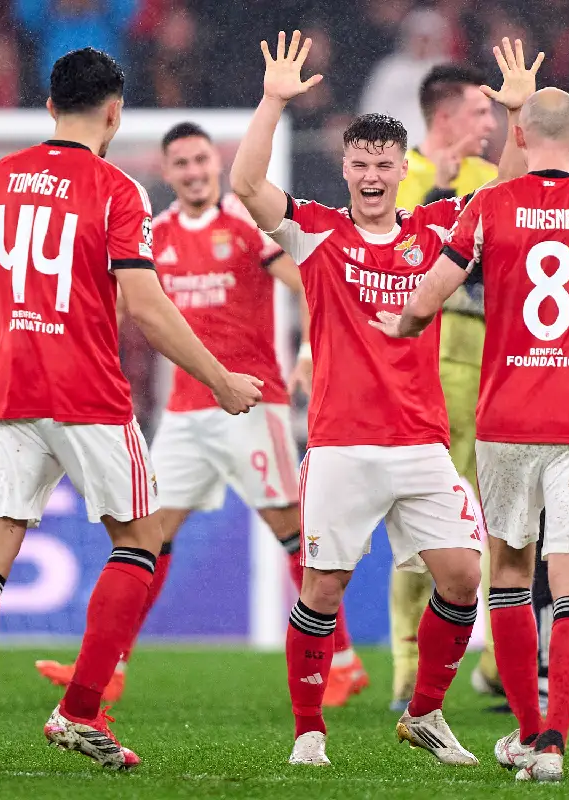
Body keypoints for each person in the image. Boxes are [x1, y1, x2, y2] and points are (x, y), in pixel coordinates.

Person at [0, 47, 263, 772]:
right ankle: (79, 712)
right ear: (114, 111)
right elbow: (144, 305)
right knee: (141, 542)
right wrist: (218, 377)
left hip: (9, 393)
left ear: (49, 106)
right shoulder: (118, 189)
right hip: (86, 394)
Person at [228, 30, 536, 768]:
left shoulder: (435, 229)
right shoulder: (317, 234)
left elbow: (507, 193)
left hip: (422, 444)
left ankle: (426, 713)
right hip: (340, 444)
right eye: (360, 164)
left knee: (463, 575)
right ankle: (309, 729)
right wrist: (273, 100)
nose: (371, 176)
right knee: (323, 588)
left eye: (383, 166)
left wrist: (518, 116)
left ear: (404, 170)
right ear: (345, 167)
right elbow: (245, 185)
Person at [376, 84, 569, 781]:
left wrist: (405, 325)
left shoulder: (489, 205)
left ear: (522, 136)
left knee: (508, 574)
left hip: (505, 420)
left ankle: (527, 731)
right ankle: (555, 743)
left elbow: (426, 296)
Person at [33, 122, 368, 706]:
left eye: (200, 160)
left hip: (250, 406)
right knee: (146, 539)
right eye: (181, 163)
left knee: (293, 535)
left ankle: (340, 661)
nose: (193, 171)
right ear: (168, 172)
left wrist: (312, 352)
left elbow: (310, 287)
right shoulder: (154, 234)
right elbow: (116, 309)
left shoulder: (244, 225)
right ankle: (108, 667)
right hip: (184, 414)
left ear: (216, 164)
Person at [389, 63, 501, 710]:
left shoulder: (494, 179)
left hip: (494, 366)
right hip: (417, 366)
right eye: (481, 113)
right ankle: (407, 663)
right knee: (416, 518)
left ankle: (497, 657)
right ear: (446, 117)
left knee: (497, 517)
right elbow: (380, 256)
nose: (491, 125)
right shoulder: (394, 172)